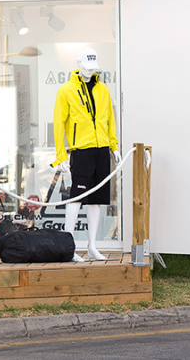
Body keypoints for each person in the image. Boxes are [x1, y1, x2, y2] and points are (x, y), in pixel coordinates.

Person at [52, 48, 120, 262]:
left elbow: (109, 119)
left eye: (93, 68)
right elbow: (58, 124)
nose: (90, 72)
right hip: (81, 150)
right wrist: (61, 155)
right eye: (87, 67)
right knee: (77, 197)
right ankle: (68, 247)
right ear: (79, 64)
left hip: (102, 150)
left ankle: (92, 246)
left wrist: (114, 145)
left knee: (97, 200)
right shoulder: (66, 90)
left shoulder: (103, 89)